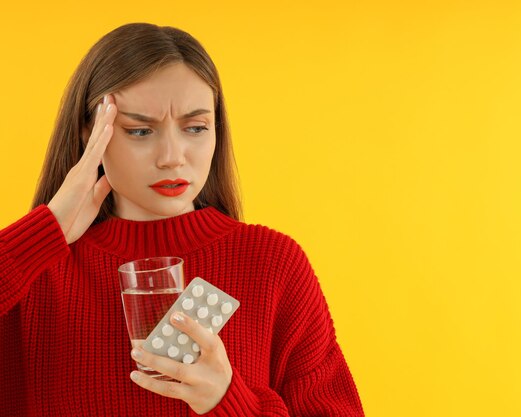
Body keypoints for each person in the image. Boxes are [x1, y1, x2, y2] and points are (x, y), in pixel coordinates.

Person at [0, 22, 364, 416]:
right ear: (90, 134)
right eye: (140, 130)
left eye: (195, 127)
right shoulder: (33, 274)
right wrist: (41, 235)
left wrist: (228, 401)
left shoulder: (273, 263)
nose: (172, 156)